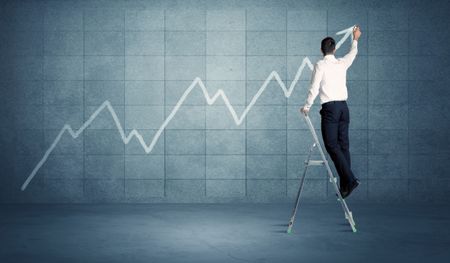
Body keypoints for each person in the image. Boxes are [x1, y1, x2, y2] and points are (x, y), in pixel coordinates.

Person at [300, 25, 362, 199]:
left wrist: (307, 106)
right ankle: (346, 186)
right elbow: (353, 53)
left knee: (331, 145)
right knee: (343, 146)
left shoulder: (320, 65)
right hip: (344, 108)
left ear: (321, 50)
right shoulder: (341, 62)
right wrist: (355, 38)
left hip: (330, 109)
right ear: (334, 49)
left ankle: (350, 179)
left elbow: (314, 87)